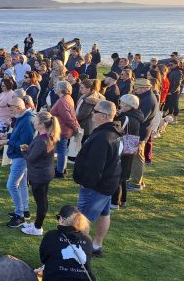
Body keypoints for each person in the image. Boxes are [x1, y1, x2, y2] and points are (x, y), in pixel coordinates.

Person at [73, 100, 122, 257]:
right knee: (104, 214)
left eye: (95, 111)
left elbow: (95, 166)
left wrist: (87, 185)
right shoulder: (112, 132)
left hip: (96, 186)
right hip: (108, 183)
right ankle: (96, 245)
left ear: (103, 115)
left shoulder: (102, 137)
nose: (92, 113)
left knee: (82, 218)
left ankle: (81, 249)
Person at [20, 111, 60, 236]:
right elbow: (38, 154)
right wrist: (29, 149)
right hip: (45, 172)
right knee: (43, 200)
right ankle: (37, 223)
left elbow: (31, 158)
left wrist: (23, 151)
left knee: (41, 202)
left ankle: (37, 227)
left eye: (36, 121)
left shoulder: (41, 140)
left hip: (39, 175)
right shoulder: (47, 136)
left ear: (42, 125)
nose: (34, 123)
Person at [0, 97, 35, 227]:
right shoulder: (22, 117)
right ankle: (24, 210)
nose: (10, 112)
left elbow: (25, 144)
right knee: (22, 184)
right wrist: (6, 136)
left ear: (19, 108)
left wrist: (8, 142)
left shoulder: (27, 120)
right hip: (19, 156)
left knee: (11, 185)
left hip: (21, 157)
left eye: (12, 109)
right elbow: (16, 135)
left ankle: (19, 215)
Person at [39, 205, 95, 281]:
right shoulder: (87, 239)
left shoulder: (50, 236)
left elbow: (43, 258)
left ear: (62, 219)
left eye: (58, 217)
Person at [112, 94, 143, 209]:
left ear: (129, 105)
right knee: (124, 176)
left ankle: (114, 202)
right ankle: (123, 199)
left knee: (117, 176)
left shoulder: (126, 118)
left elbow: (117, 130)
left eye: (122, 103)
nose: (120, 105)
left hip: (123, 148)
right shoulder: (136, 116)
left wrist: (115, 118)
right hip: (131, 147)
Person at [127, 79, 157, 192]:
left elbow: (141, 117)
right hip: (142, 132)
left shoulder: (147, 100)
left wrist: (128, 113)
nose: (135, 91)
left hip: (140, 133)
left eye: (137, 88)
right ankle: (139, 180)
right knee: (138, 157)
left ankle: (135, 183)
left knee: (137, 157)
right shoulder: (148, 97)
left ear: (144, 88)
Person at [50, 81, 80, 178]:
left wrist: (75, 127)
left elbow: (68, 117)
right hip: (63, 129)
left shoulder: (63, 101)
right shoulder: (66, 98)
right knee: (62, 150)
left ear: (62, 89)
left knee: (61, 150)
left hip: (62, 130)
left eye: (57, 86)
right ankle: (61, 168)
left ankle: (60, 171)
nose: (55, 87)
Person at [165, 59, 183, 124]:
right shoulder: (172, 71)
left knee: (175, 105)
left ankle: (175, 120)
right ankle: (171, 118)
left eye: (171, 65)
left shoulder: (178, 72)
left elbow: (178, 83)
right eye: (169, 65)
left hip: (174, 91)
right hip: (170, 90)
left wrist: (172, 91)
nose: (169, 66)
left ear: (176, 64)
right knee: (170, 104)